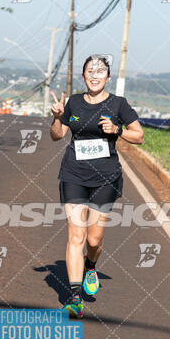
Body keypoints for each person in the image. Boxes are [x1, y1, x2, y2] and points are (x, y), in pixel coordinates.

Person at [50, 54, 144, 318]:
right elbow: (57, 136)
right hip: (73, 175)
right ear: (83, 77)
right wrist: (57, 118)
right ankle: (75, 296)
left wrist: (118, 130)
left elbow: (140, 136)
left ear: (108, 78)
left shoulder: (119, 104)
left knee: (94, 239)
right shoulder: (73, 103)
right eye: (90, 72)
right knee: (75, 236)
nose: (95, 76)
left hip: (105, 177)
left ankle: (91, 264)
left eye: (100, 72)